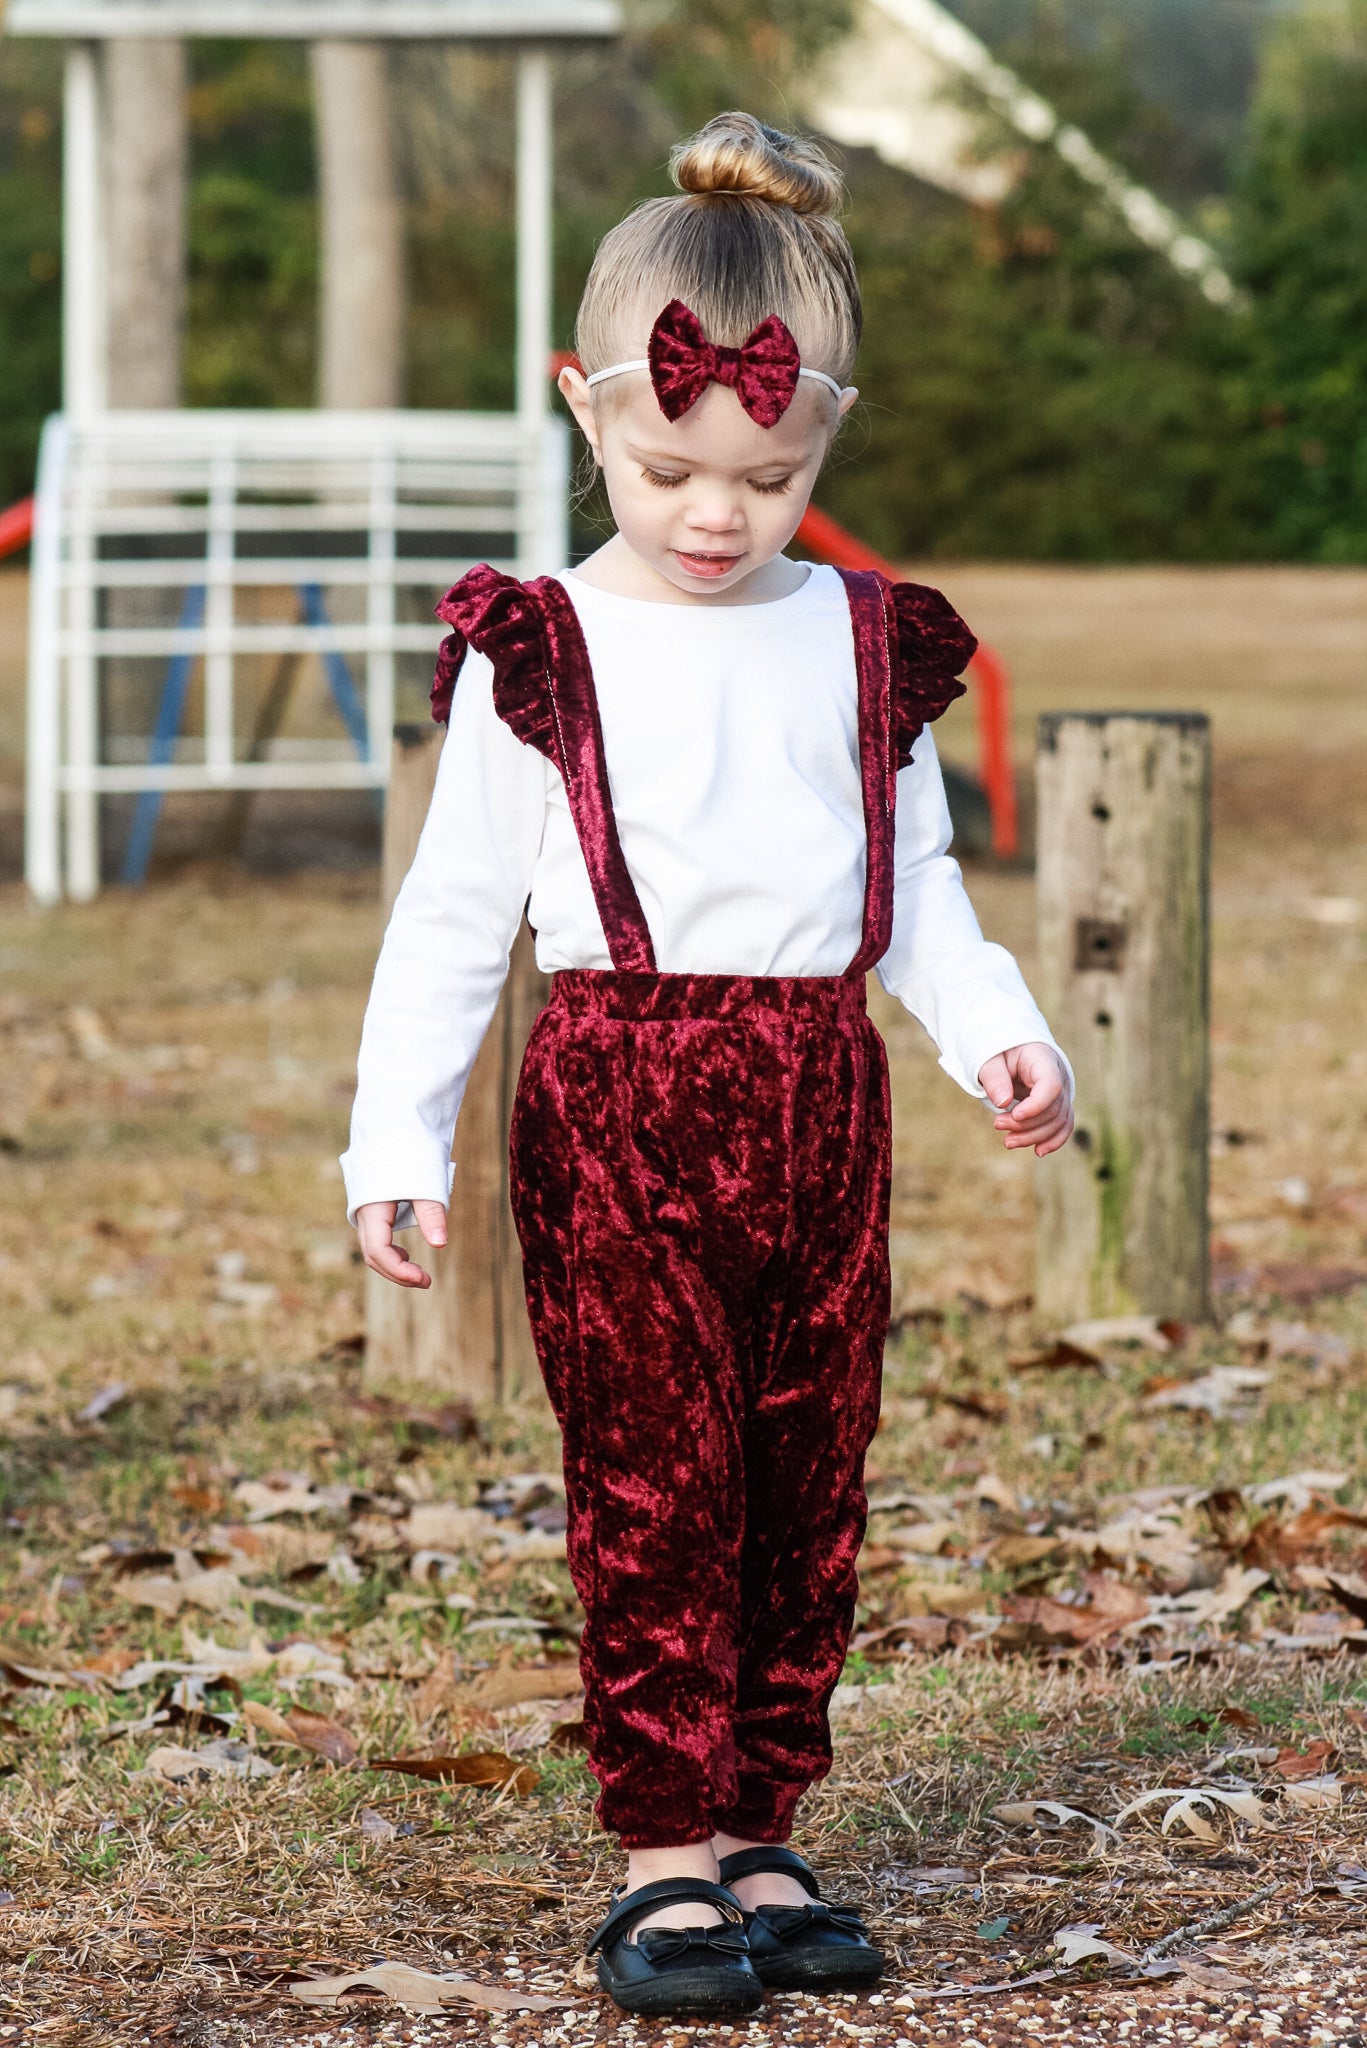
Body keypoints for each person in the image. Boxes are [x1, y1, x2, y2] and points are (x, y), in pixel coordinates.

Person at [343, 111, 1073, 2021]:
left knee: (806, 1465)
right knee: (659, 1480)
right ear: (583, 409)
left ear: (826, 430)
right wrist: (388, 1143)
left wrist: (1002, 1034)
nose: (715, 515)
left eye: (770, 471)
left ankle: (765, 1813)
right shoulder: (551, 647)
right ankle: (667, 1849)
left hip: (825, 1095)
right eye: (669, 466)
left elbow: (914, 893)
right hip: (616, 1098)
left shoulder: (863, 640)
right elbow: (450, 919)